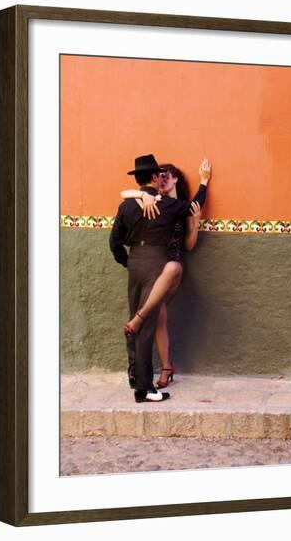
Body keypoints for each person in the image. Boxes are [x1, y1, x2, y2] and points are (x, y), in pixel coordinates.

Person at [109, 154, 208, 403]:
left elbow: (114, 242)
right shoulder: (165, 204)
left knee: (135, 321)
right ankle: (144, 389)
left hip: (135, 262)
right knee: (144, 324)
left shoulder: (126, 206)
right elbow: (194, 205)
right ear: (154, 177)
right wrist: (204, 183)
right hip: (156, 263)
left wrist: (127, 262)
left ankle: (135, 375)